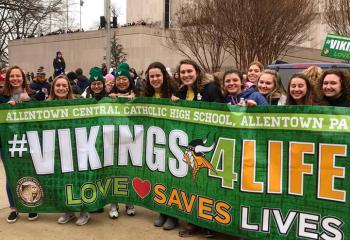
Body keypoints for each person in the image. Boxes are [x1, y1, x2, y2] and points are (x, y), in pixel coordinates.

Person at [173, 60, 222, 238]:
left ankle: (210, 224)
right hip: (189, 144)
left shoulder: (210, 88)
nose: (186, 75)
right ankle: (193, 222)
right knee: (192, 184)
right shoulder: (182, 90)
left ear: (197, 71)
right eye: (182, 72)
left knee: (207, 184)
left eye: (189, 71)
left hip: (206, 143)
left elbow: (219, 111)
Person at [48, 75, 90, 225]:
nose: (61, 88)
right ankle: (68, 211)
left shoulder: (77, 103)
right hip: (57, 150)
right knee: (62, 181)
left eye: (64, 85)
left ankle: (84, 211)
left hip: (76, 148)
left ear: (68, 87)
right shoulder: (46, 106)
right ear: (53, 88)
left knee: (78, 180)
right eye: (58, 85)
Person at [142, 62, 178, 230]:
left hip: (172, 143)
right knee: (158, 178)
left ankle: (173, 215)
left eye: (158, 75)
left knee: (172, 179)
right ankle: (162, 211)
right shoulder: (146, 96)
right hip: (155, 143)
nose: (155, 79)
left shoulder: (175, 94)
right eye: (152, 76)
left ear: (164, 76)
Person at [2, 66, 38, 223]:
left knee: (27, 172)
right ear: (8, 78)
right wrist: (6, 107)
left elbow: (42, 108)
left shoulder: (31, 94)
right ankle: (14, 208)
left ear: (23, 78)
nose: (15, 78)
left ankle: (30, 205)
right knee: (11, 175)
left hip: (28, 140)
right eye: (12, 76)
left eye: (18, 76)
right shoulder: (2, 96)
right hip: (7, 142)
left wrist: (28, 100)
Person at [108, 62, 137, 218]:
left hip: (133, 140)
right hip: (113, 140)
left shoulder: (137, 94)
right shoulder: (110, 96)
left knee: (129, 171)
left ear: (129, 80)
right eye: (118, 79)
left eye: (124, 79)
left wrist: (135, 100)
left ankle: (129, 201)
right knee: (114, 171)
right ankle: (114, 203)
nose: (121, 82)